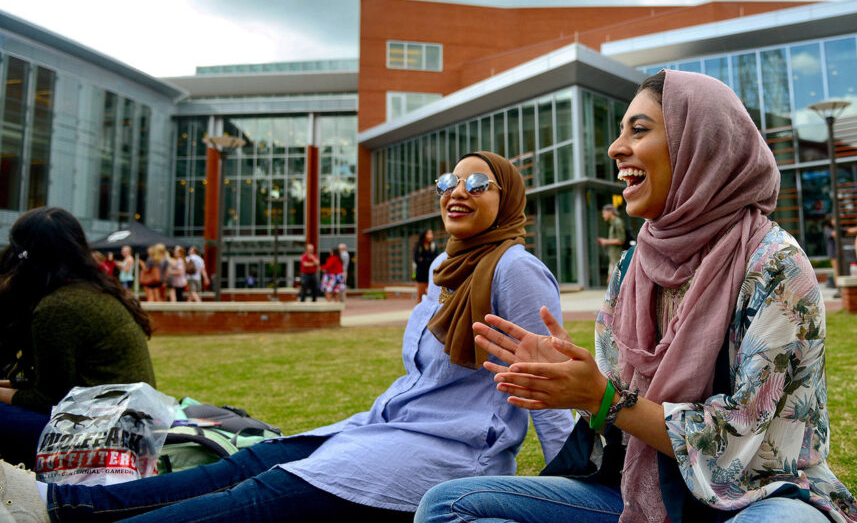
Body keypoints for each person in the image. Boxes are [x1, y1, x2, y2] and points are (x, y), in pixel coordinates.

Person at [0, 152, 573, 523]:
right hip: (385, 426)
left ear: (508, 199)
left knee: (252, 501)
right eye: (449, 180)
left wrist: (561, 495)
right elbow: (419, 377)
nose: (458, 190)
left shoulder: (513, 269)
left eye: (479, 183)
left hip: (446, 453)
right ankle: (65, 503)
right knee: (250, 462)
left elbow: (554, 395)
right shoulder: (444, 270)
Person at [417, 71, 857, 523]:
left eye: (639, 129)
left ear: (699, 145)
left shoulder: (774, 263)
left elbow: (744, 436)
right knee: (446, 506)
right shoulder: (633, 265)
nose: (615, 147)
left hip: (759, 493)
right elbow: (614, 412)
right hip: (639, 487)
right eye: (620, 130)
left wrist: (605, 399)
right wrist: (575, 386)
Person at [0, 207, 156, 468]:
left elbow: (49, 399)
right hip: (133, 430)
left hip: (109, 439)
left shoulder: (59, 307)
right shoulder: (92, 291)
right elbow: (55, 387)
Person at [596, 204, 626, 283]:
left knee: (613, 283)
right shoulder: (613, 223)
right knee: (610, 283)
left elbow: (621, 240)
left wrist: (606, 241)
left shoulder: (617, 222)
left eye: (604, 213)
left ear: (611, 212)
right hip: (613, 258)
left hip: (617, 258)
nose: (603, 216)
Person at [413, 229, 440, 300]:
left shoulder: (434, 246)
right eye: (429, 234)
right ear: (424, 235)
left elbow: (436, 259)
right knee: (420, 296)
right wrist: (429, 260)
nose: (431, 236)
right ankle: (419, 311)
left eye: (431, 234)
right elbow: (417, 260)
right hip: (421, 275)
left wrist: (424, 259)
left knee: (432, 297)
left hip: (431, 274)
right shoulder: (418, 246)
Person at [823, 214, 838, 288]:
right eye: (833, 220)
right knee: (836, 269)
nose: (835, 221)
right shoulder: (827, 229)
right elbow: (834, 234)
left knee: (838, 269)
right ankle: (838, 287)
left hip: (837, 252)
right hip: (833, 252)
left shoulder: (835, 228)